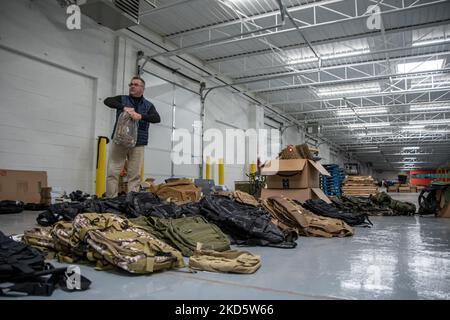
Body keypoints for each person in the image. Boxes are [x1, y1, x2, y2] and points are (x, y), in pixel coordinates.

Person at [104, 76, 160, 197]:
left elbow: (157, 118)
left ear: (142, 88)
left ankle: (131, 201)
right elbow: (107, 101)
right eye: (131, 85)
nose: (132, 87)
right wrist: (123, 108)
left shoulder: (148, 105)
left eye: (135, 85)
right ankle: (111, 199)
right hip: (120, 141)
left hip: (138, 143)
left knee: (134, 175)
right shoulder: (122, 99)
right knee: (112, 172)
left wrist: (141, 116)